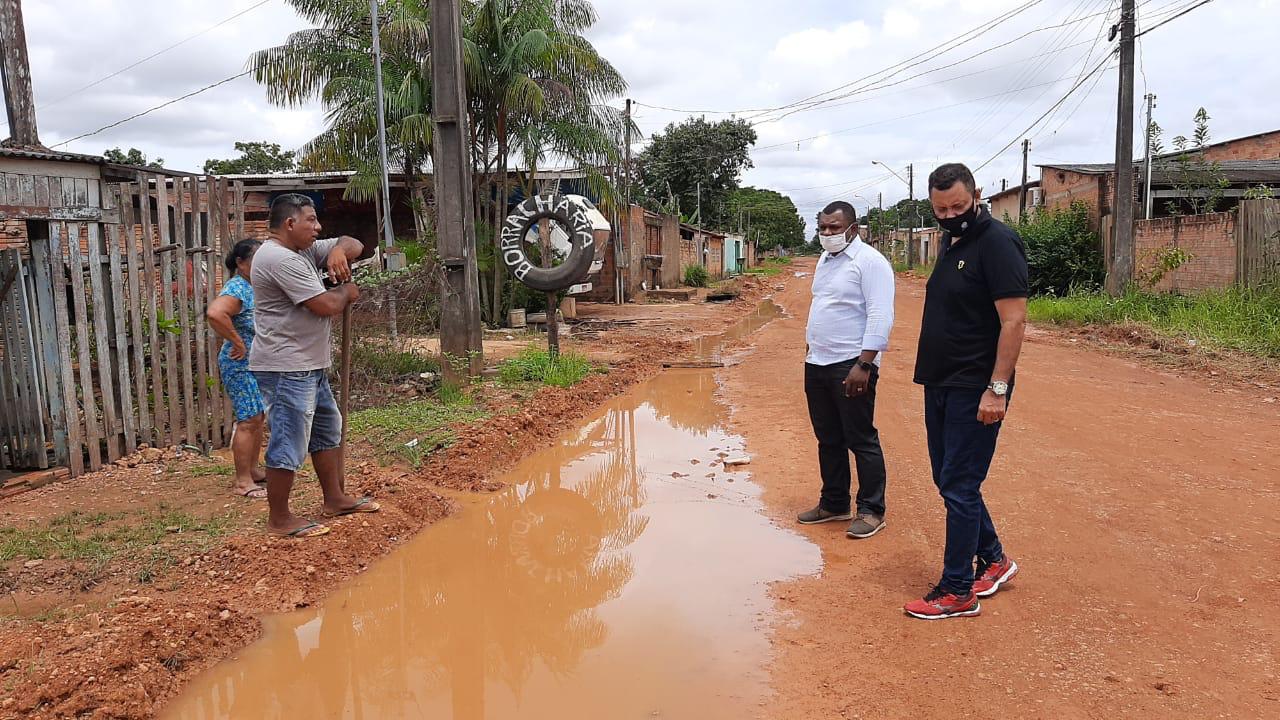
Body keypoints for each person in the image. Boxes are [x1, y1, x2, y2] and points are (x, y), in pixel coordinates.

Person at [904, 163, 1027, 620]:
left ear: (977, 194)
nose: (951, 214)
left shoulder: (997, 243)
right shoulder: (949, 241)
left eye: (958, 205)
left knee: (959, 484)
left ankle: (957, 589)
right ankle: (994, 559)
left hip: (975, 386)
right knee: (949, 479)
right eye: (941, 209)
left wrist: (997, 388)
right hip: (940, 381)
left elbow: (1013, 321)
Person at [250, 193, 380, 538]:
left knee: (326, 427)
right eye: (311, 220)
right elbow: (323, 304)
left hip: (306, 362)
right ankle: (279, 519)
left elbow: (355, 243)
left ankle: (334, 498)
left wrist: (338, 251)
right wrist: (347, 293)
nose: (318, 227)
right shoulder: (280, 259)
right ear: (290, 224)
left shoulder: (302, 251)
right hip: (286, 366)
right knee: (289, 439)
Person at [796, 200, 895, 540]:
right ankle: (834, 502)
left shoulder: (870, 262)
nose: (827, 234)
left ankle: (871, 510)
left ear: (853, 228)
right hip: (818, 362)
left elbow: (881, 314)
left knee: (861, 437)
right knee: (828, 438)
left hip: (851, 364)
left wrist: (864, 364)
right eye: (822, 228)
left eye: (834, 228)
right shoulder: (825, 259)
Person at [207, 239, 267, 498]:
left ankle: (253, 470)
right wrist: (237, 341)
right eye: (257, 260)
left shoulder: (255, 286)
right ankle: (243, 482)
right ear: (241, 263)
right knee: (248, 420)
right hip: (239, 363)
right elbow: (215, 313)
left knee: (257, 417)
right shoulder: (238, 287)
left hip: (255, 362)